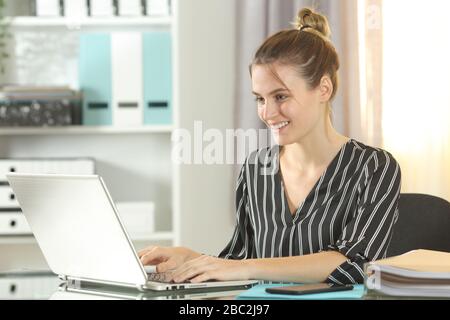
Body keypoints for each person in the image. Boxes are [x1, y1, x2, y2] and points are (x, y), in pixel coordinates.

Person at [138, 7, 401, 285]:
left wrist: (245, 268)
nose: (267, 113)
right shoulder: (255, 169)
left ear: (324, 89)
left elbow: (356, 264)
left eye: (280, 96)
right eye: (260, 99)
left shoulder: (375, 168)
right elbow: (242, 261)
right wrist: (189, 257)